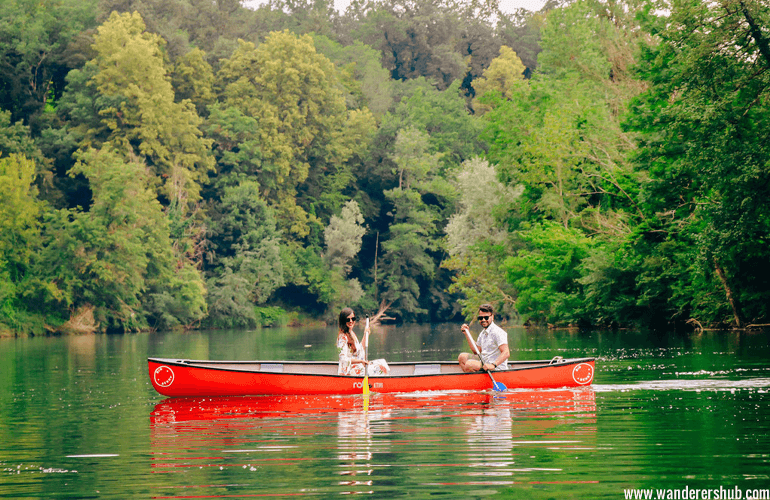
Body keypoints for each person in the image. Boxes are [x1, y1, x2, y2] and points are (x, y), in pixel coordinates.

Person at [337, 308, 390, 376]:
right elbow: (344, 359)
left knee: (382, 362)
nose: (351, 321)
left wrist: (365, 334)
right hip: (348, 370)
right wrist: (361, 361)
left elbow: (360, 349)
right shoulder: (342, 337)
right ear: (343, 321)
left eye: (353, 319)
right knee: (379, 368)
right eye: (348, 319)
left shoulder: (351, 333)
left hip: (357, 366)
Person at [458, 303, 510, 372]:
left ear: (492, 317)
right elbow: (476, 351)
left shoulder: (498, 332)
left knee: (469, 364)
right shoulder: (483, 333)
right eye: (480, 318)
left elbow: (506, 353)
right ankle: (472, 380)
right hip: (484, 362)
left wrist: (493, 365)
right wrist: (467, 334)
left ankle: (473, 380)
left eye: (486, 317)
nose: (483, 320)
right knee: (462, 357)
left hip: (496, 368)